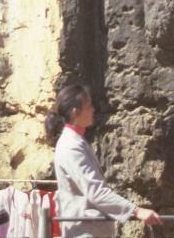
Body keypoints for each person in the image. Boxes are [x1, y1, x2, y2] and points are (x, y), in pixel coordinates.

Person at [46, 84, 162, 237]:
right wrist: (136, 211)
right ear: (75, 113)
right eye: (88, 107)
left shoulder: (77, 141)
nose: (93, 110)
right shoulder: (70, 146)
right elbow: (96, 192)